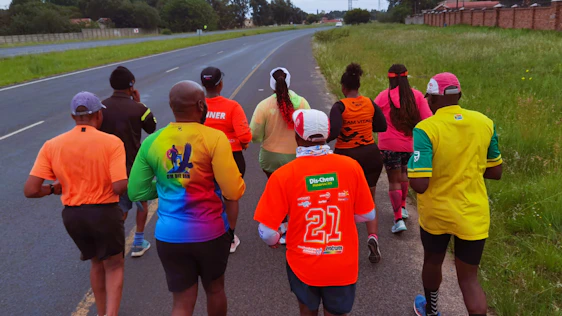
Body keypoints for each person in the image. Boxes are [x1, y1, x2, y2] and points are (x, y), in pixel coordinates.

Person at [128, 81, 245, 316]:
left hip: (169, 235)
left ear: (172, 107)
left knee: (181, 302)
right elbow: (233, 191)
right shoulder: (214, 138)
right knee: (215, 290)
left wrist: (166, 188)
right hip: (211, 233)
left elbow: (136, 192)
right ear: (201, 105)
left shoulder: (152, 141)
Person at [254, 109, 377, 316]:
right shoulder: (351, 167)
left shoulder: (283, 175)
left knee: (307, 309)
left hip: (303, 263)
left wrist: (275, 239)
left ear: (297, 136)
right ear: (327, 135)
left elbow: (267, 232)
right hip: (341, 263)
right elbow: (367, 215)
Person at [24, 92, 127, 316]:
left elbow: (31, 190)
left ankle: (101, 312)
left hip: (73, 216)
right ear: (98, 115)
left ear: (73, 116)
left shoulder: (52, 145)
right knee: (115, 264)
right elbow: (119, 186)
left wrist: (52, 188)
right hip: (104, 212)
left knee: (96, 262)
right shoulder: (112, 143)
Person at [408, 73, 503, 316]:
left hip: (437, 213)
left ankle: (431, 310)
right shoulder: (485, 122)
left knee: (432, 261)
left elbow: (419, 184)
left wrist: (411, 167)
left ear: (431, 100)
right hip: (473, 212)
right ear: (459, 95)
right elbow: (495, 170)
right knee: (469, 280)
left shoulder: (426, 129)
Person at [327, 63, 387, 264]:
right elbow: (382, 126)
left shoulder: (339, 106)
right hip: (371, 155)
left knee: (344, 201)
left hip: (347, 157)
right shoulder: (370, 103)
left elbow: (333, 132)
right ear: (358, 86)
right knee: (369, 200)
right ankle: (372, 237)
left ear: (343, 87)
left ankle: (346, 243)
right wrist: (364, 124)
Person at [100, 65, 157, 258]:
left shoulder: (101, 108)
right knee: (142, 203)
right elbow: (152, 128)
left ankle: (114, 244)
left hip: (110, 168)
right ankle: (138, 242)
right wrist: (139, 103)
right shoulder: (138, 108)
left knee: (119, 208)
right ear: (131, 85)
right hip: (135, 166)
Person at [374, 64, 432, 234]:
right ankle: (404, 206)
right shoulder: (418, 96)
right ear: (406, 77)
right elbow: (427, 119)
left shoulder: (383, 96)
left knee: (394, 180)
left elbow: (373, 116)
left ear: (390, 78)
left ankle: (398, 218)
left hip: (388, 145)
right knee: (404, 175)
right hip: (410, 145)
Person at [200, 66, 252, 253]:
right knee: (230, 197)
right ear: (220, 84)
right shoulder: (232, 107)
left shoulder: (198, 106)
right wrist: (243, 143)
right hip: (231, 157)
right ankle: (229, 238)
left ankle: (208, 234)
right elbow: (245, 136)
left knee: (208, 195)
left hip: (204, 158)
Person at [250, 67, 311, 179]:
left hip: (270, 160)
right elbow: (310, 129)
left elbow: (254, 134)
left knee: (274, 185)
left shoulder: (263, 106)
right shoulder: (303, 103)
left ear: (272, 84)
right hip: (297, 157)